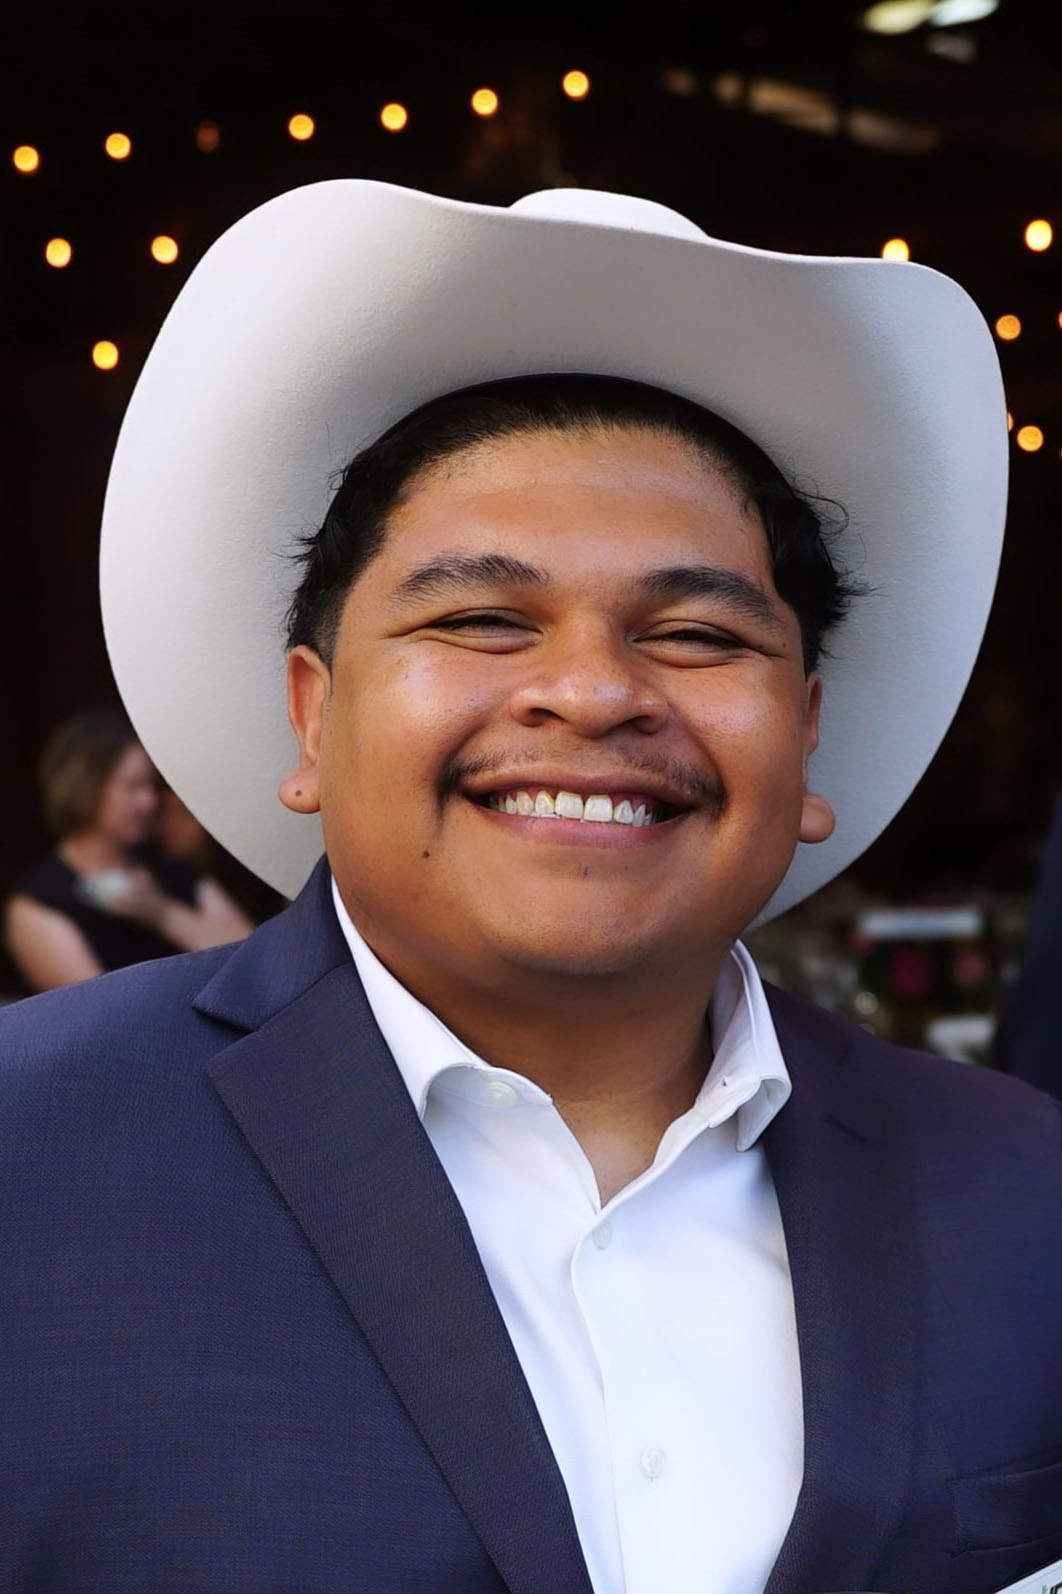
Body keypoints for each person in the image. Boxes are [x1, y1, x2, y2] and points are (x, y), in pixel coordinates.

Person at [2, 182, 1060, 1594]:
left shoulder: (1022, 1189)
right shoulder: (30, 1152)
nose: (592, 691)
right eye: (484, 619)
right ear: (312, 716)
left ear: (806, 733)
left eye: (695, 634)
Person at [4, 710, 254, 991]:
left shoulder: (170, 869)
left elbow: (252, 959)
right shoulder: (39, 902)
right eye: (133, 786)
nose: (149, 802)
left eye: (150, 786)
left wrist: (162, 914)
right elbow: (98, 1007)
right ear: (85, 788)